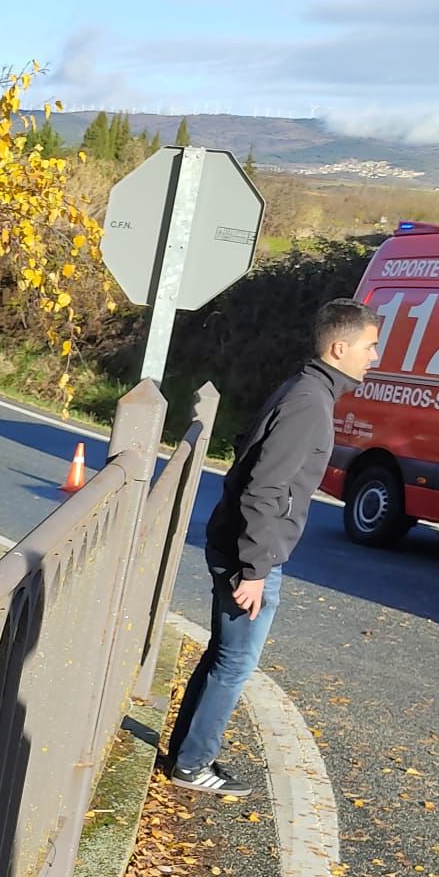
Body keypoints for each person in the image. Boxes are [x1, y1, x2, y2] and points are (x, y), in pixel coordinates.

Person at [167, 298, 381, 795]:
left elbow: (248, 449)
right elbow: (264, 487)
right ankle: (194, 764)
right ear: (340, 346)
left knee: (224, 656)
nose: (375, 357)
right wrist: (257, 568)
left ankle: (186, 755)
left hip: (241, 547)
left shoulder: (304, 389)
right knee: (235, 663)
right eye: (370, 347)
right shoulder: (309, 402)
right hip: (249, 555)